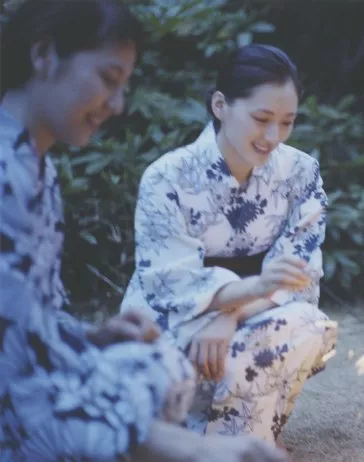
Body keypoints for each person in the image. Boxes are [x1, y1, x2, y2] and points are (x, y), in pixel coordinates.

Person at [0, 1, 285, 461]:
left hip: (40, 371)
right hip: (18, 397)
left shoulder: (37, 169)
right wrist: (184, 446)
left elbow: (31, 318)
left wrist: (95, 337)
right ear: (43, 55)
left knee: (161, 366)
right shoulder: (5, 171)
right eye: (109, 80)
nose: (117, 105)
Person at [120, 43, 337, 448]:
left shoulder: (300, 172)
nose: (274, 137)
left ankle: (242, 443)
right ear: (220, 105)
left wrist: (232, 311)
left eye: (287, 122)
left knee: (307, 323)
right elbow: (169, 285)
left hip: (253, 316)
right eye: (261, 119)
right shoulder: (166, 177)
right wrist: (228, 301)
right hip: (175, 321)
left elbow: (299, 280)